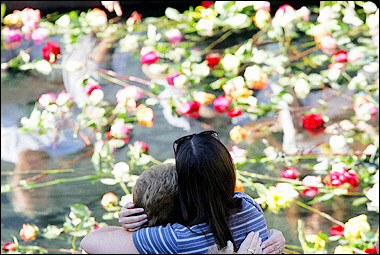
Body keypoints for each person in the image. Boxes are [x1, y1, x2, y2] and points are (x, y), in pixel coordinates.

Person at [81, 130, 285, 254]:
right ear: (229, 172)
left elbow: (89, 242)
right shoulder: (248, 206)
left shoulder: (179, 238)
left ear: (183, 186)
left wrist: (135, 225)